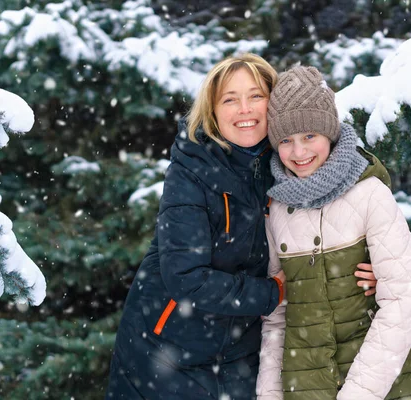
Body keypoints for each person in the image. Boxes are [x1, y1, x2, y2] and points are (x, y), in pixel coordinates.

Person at [105, 54, 377, 400]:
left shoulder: (290, 162)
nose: (244, 109)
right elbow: (185, 277)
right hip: (167, 348)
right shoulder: (191, 168)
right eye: (230, 99)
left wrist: (370, 267)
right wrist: (270, 294)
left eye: (255, 96)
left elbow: (343, 209)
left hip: (243, 351)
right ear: (213, 111)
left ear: (273, 104)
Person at [255, 66, 411, 400]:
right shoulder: (276, 209)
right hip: (303, 387)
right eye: (286, 140)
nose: (299, 152)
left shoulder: (369, 194)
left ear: (330, 133)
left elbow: (403, 300)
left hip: (384, 389)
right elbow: (277, 319)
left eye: (310, 136)